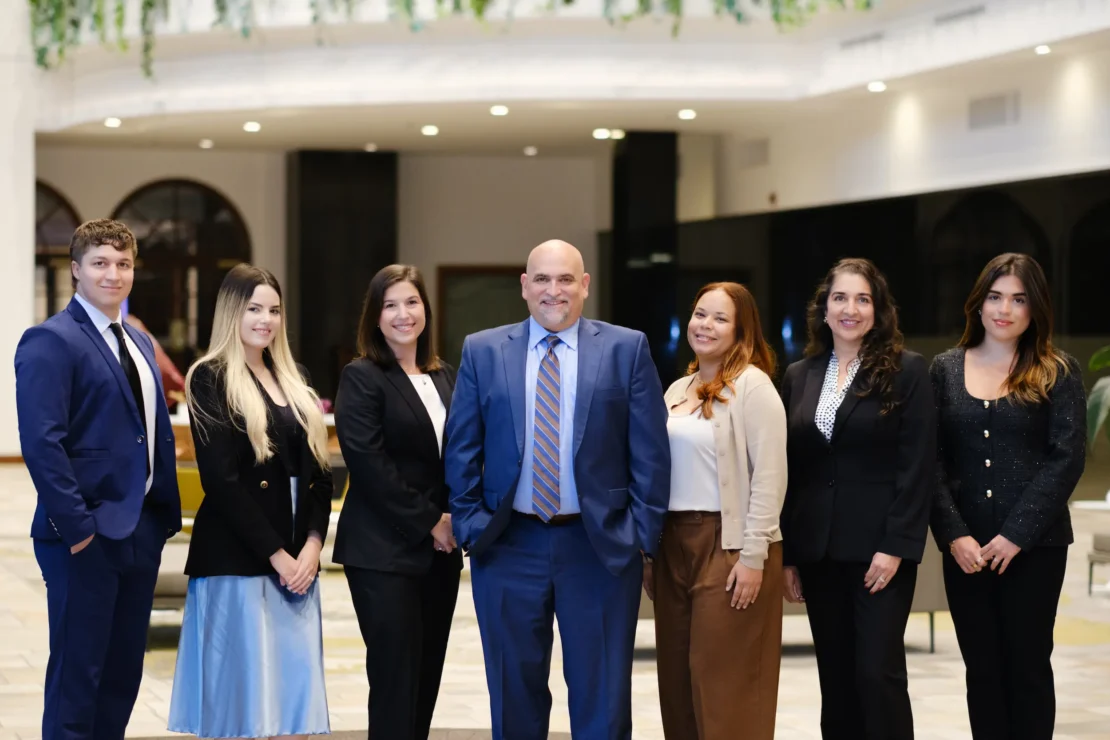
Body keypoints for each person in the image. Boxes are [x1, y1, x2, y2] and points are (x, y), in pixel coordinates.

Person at [445, 239, 671, 740]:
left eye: (566, 279)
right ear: (524, 286)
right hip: (508, 545)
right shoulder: (483, 351)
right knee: (514, 696)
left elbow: (651, 454)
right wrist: (471, 524)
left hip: (599, 548)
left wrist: (639, 536)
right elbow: (461, 449)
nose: (554, 290)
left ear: (584, 285)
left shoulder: (626, 349)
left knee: (602, 700)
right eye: (543, 279)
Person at [15, 218, 182, 740]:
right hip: (84, 537)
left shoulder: (138, 341)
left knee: (120, 677)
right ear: (76, 269)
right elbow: (42, 443)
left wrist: (159, 520)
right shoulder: (50, 340)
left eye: (123, 264)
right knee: (78, 679)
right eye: (100, 263)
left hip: (140, 531)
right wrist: (79, 529)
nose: (113, 274)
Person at [167, 264, 333, 739]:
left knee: (290, 709)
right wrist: (278, 555)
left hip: (298, 558)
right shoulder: (210, 378)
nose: (266, 320)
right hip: (239, 558)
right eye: (254, 309)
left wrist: (313, 546)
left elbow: (320, 475)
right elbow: (221, 482)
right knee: (241, 711)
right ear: (231, 312)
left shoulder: (295, 378)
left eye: (274, 310)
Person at [930, 253, 1086, 740]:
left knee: (1029, 668)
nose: (1004, 309)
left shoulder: (1058, 371)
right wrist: (954, 535)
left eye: (1019, 299)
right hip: (967, 552)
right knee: (983, 671)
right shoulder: (944, 370)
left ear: (1035, 308)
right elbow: (929, 462)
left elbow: (1067, 459)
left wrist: (1015, 535)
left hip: (1036, 549)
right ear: (978, 304)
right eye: (995, 297)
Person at [779, 258, 935, 740]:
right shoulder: (799, 375)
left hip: (879, 553)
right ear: (824, 309)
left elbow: (918, 465)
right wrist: (788, 554)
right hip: (819, 551)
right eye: (840, 298)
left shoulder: (908, 371)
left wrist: (895, 546)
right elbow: (792, 469)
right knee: (837, 679)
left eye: (863, 299)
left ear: (879, 309)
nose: (851, 309)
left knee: (877, 674)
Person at [650, 282, 788, 740]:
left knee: (725, 687)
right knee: (677, 683)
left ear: (741, 330)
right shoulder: (677, 389)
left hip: (729, 546)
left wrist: (753, 556)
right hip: (674, 544)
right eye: (699, 314)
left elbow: (770, 476)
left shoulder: (753, 386)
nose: (705, 325)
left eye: (720, 318)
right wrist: (650, 551)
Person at [333, 264, 462, 740]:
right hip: (382, 552)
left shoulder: (444, 375)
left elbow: (461, 454)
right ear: (375, 315)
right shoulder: (362, 376)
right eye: (390, 305)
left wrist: (457, 519)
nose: (403, 314)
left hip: (440, 553)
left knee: (426, 678)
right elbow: (370, 465)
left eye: (411, 302)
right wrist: (431, 521)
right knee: (394, 681)